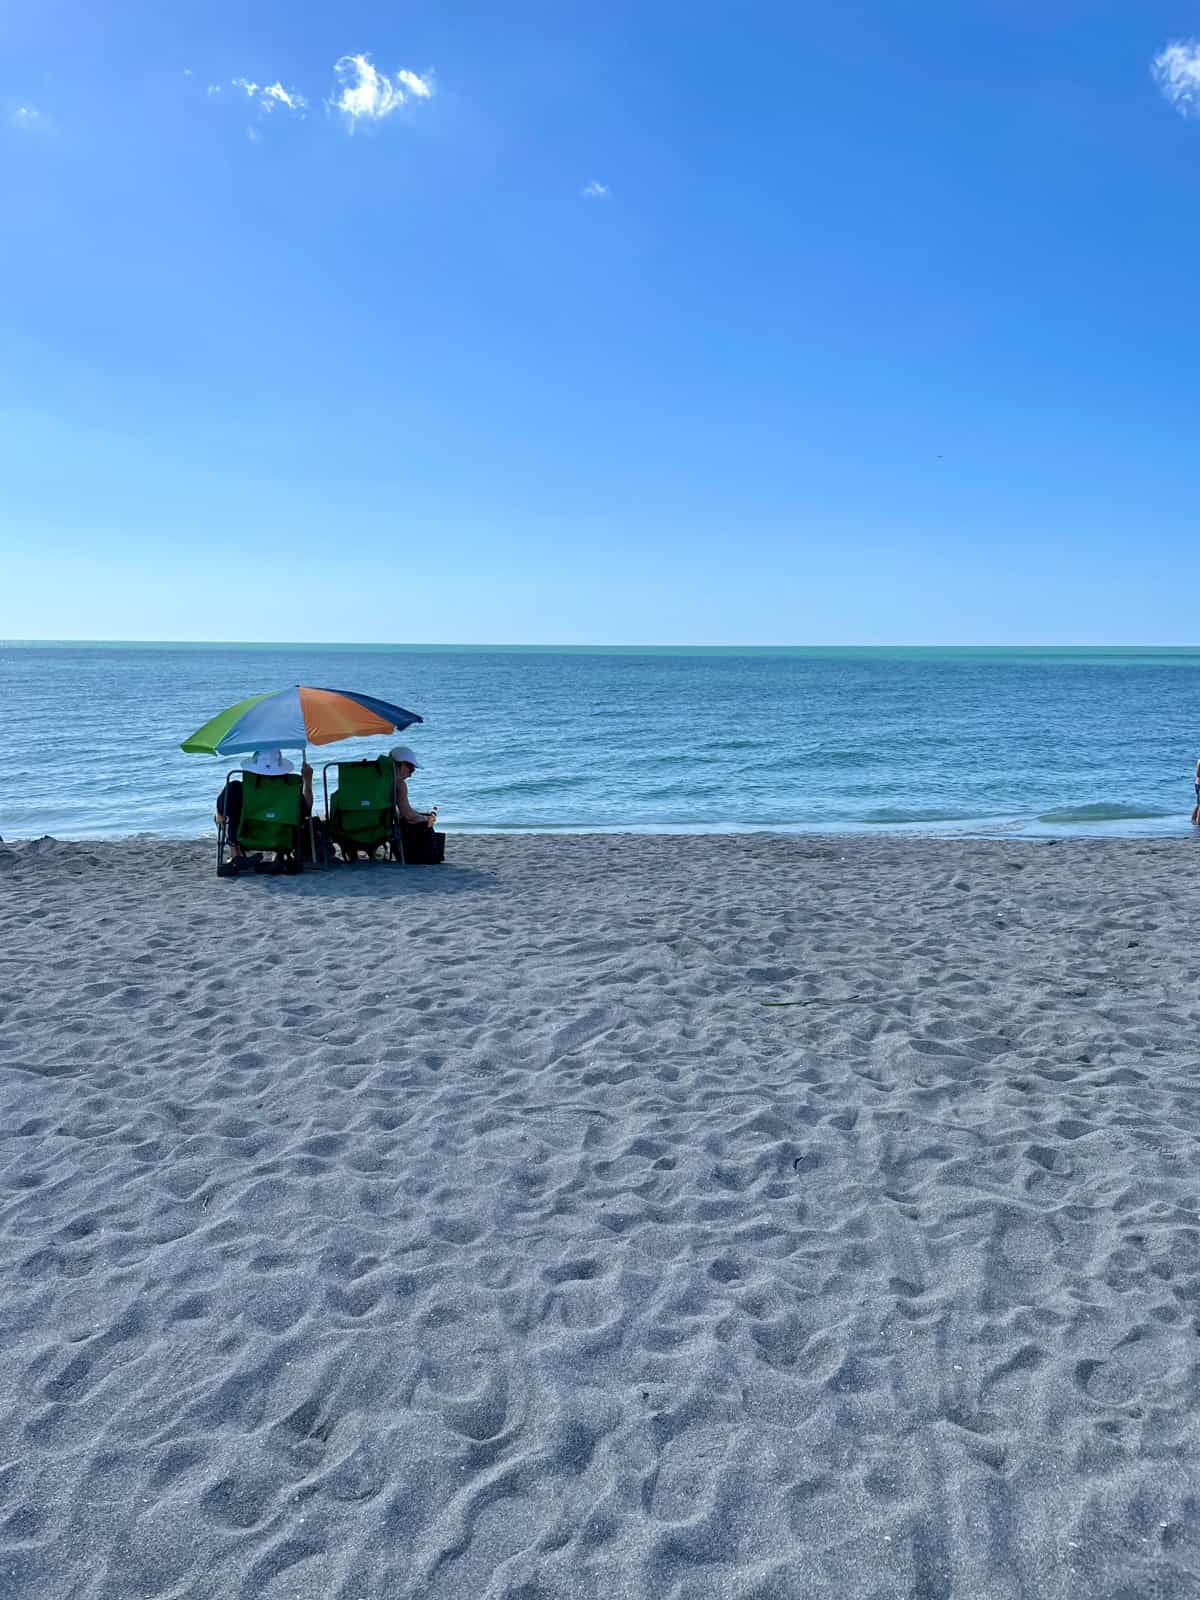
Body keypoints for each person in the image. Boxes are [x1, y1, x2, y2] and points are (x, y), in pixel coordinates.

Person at [216, 749, 312, 871]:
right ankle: (281, 854)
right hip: (282, 840)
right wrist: (307, 781)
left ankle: (235, 853)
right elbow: (306, 811)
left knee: (228, 806)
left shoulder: (237, 788)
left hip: (246, 837)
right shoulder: (289, 790)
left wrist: (219, 808)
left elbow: (222, 812)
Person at [390, 745, 444, 864]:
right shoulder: (399, 783)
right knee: (426, 820)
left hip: (366, 820)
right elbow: (408, 815)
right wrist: (427, 818)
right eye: (411, 769)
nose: (411, 775)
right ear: (402, 764)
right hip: (384, 826)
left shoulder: (381, 780)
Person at [1192, 758, 1200, 826]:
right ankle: (1198, 822)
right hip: (1199, 783)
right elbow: (1198, 774)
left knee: (1198, 803)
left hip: (1197, 783)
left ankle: (1193, 820)